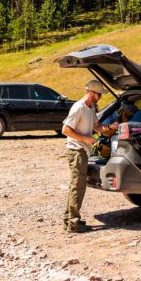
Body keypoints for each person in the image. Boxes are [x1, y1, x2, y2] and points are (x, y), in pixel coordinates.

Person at [61, 79, 115, 232]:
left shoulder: (91, 108)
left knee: (78, 185)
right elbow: (66, 130)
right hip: (76, 150)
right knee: (77, 185)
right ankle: (73, 223)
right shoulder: (79, 107)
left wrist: (111, 127)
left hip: (83, 151)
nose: (100, 98)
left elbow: (96, 126)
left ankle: (69, 219)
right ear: (91, 93)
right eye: (99, 95)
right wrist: (86, 139)